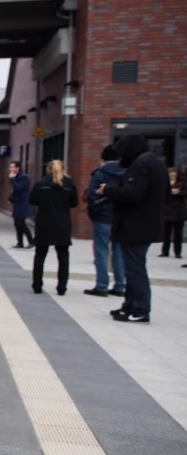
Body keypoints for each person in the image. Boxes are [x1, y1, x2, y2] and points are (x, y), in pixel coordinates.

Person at [97, 133, 169, 324]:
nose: (121, 159)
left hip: (136, 225)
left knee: (135, 269)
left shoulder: (141, 165)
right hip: (146, 223)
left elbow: (133, 194)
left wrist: (108, 190)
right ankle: (129, 306)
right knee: (132, 268)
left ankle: (141, 309)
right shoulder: (156, 163)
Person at [29, 159, 78, 295]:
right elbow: (74, 203)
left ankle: (37, 285)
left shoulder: (41, 184)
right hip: (63, 223)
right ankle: (62, 287)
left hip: (44, 222)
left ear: (48, 169)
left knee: (40, 255)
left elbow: (32, 200)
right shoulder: (69, 185)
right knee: (63, 256)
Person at [84, 146, 126, 298]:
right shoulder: (127, 173)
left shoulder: (100, 174)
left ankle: (102, 286)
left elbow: (91, 195)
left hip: (103, 217)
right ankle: (120, 285)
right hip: (121, 217)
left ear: (103, 159)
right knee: (119, 253)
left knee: (101, 252)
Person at [8, 161, 35, 249]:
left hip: (23, 203)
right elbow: (15, 191)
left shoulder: (24, 177)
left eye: (12, 167)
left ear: (17, 168)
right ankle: (20, 242)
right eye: (10, 167)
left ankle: (31, 241)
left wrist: (12, 179)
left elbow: (18, 188)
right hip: (17, 202)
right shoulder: (17, 177)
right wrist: (11, 198)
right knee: (16, 223)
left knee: (21, 223)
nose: (10, 169)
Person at [160, 166, 185, 259]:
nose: (172, 175)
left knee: (178, 233)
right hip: (167, 210)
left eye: (174, 174)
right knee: (166, 232)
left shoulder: (182, 183)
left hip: (179, 210)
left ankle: (177, 252)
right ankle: (164, 251)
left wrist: (179, 193)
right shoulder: (165, 184)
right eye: (170, 174)